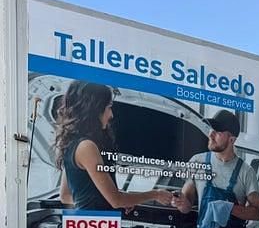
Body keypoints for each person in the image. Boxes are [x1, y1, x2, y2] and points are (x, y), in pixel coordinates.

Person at [56, 81, 173, 211]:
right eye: (108, 107)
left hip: (88, 221)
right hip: (97, 222)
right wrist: (156, 194)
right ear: (94, 109)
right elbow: (116, 201)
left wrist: (108, 198)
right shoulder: (86, 147)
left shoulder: (71, 143)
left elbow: (65, 196)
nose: (111, 114)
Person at [172, 110, 259, 228]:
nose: (211, 135)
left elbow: (257, 213)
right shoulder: (197, 161)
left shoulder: (246, 172)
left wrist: (230, 208)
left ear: (231, 140)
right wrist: (180, 202)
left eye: (217, 132)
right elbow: (187, 207)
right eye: (211, 129)